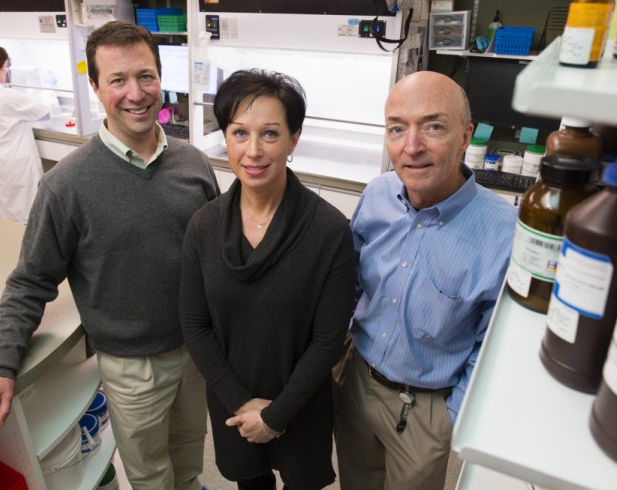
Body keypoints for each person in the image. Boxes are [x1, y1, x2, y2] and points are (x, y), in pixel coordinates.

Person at [0, 21, 219, 490]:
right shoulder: (67, 185)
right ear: (96, 88)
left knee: (188, 455)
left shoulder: (194, 164)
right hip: (132, 367)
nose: (135, 93)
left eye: (145, 76)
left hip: (198, 352)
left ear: (162, 80)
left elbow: (214, 259)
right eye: (118, 80)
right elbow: (30, 280)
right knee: (150, 474)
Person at [332, 71, 516, 490]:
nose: (411, 147)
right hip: (357, 380)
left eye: (433, 126)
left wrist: (450, 419)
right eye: (398, 128)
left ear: (465, 136)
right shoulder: (376, 195)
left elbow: (493, 344)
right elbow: (350, 285)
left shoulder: (504, 232)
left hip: (425, 409)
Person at [179, 69, 357, 490]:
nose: (253, 151)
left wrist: (275, 416)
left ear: (294, 139)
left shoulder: (328, 230)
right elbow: (195, 325)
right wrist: (244, 404)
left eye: (271, 134)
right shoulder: (203, 226)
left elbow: (329, 338)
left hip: (301, 403)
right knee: (251, 484)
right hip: (233, 402)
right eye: (239, 133)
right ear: (225, 137)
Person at [0, 42, 58, 223]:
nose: (6, 70)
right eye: (5, 67)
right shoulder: (5, 97)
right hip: (16, 166)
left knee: (10, 212)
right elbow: (39, 107)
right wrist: (49, 89)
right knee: (29, 215)